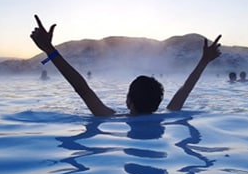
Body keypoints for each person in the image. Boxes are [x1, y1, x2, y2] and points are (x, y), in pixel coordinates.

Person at [30, 15, 221, 116]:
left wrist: (49, 50)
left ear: (128, 100)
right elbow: (185, 90)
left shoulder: (109, 117)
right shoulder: (168, 115)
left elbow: (81, 88)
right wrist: (204, 61)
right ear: (158, 103)